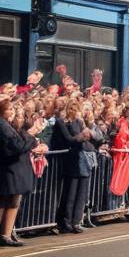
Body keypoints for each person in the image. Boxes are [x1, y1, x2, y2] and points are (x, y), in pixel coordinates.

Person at [0, 97, 45, 246]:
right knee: (7, 200)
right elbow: (17, 146)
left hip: (15, 167)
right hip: (10, 167)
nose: (12, 112)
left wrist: (31, 136)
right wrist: (31, 134)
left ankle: (4, 234)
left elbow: (20, 143)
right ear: (1, 111)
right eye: (9, 109)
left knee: (12, 201)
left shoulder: (6, 124)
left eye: (13, 109)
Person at [52, 99, 91, 233]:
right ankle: (65, 221)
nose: (73, 112)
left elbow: (85, 141)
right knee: (70, 193)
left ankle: (76, 221)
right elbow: (68, 139)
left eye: (76, 109)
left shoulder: (79, 122)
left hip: (81, 159)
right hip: (70, 160)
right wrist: (81, 136)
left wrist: (85, 133)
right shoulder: (62, 122)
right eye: (71, 109)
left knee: (81, 193)